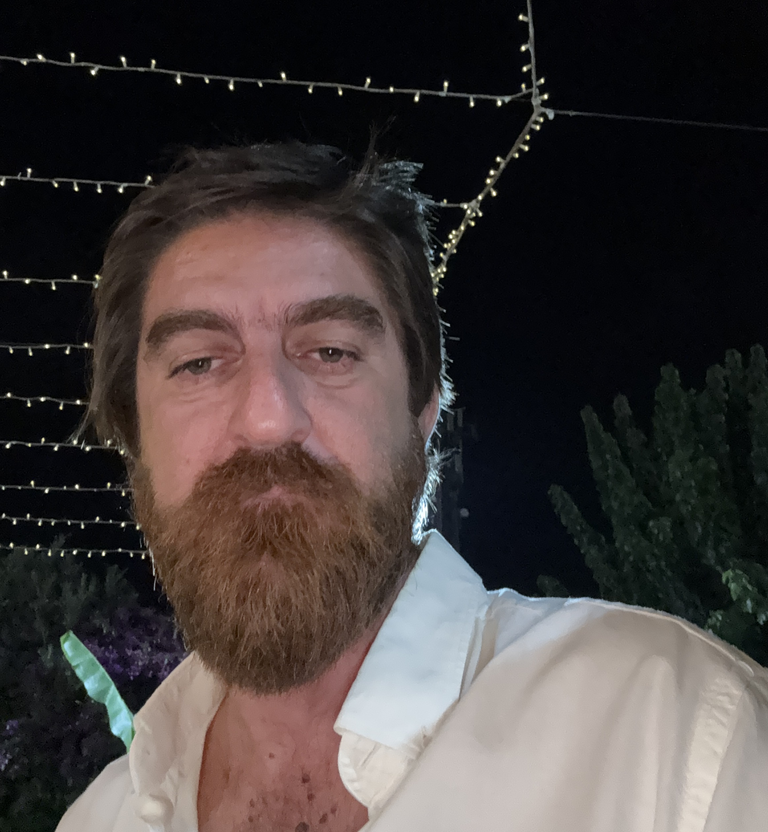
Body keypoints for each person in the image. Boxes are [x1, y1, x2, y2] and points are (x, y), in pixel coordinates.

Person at [58, 141, 768, 832]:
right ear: (134, 436)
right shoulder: (98, 820)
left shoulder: (676, 742)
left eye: (331, 351)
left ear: (423, 409)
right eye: (198, 364)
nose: (269, 418)